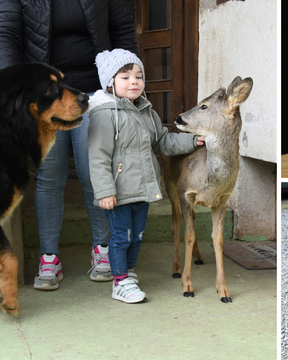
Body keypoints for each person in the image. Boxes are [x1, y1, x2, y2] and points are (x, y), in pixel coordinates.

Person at [0, 0, 139, 290]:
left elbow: (123, 31)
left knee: (94, 175)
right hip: (47, 98)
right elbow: (7, 34)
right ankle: (49, 258)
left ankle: (104, 250)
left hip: (95, 92)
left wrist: (124, 80)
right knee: (50, 178)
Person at [87, 49, 204, 303]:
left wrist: (194, 141)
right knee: (121, 236)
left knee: (137, 235)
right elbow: (97, 157)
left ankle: (126, 274)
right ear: (110, 82)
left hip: (141, 188)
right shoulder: (104, 114)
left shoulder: (146, 111)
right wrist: (105, 191)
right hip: (117, 191)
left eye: (138, 76)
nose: (134, 82)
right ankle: (119, 282)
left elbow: (163, 141)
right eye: (125, 77)